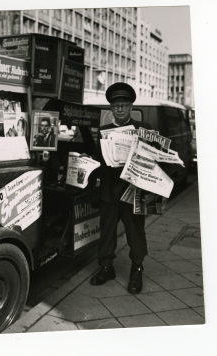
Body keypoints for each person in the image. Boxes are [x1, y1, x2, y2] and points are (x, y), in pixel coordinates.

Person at [90, 82, 151, 295]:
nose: (120, 109)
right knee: (106, 232)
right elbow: (98, 161)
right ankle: (107, 267)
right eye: (116, 106)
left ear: (131, 106)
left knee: (135, 232)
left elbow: (154, 162)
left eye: (124, 105)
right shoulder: (103, 132)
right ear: (111, 109)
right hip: (108, 191)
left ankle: (137, 268)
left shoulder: (144, 131)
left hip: (133, 191)